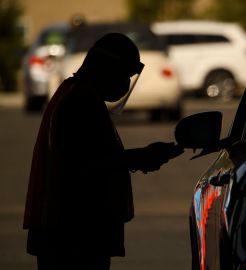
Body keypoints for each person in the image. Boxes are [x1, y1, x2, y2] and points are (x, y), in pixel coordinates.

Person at [23, 33, 184, 270]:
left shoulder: (74, 93)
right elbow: (87, 165)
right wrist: (142, 156)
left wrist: (141, 157)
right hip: (72, 232)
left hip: (65, 229)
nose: (126, 84)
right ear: (108, 68)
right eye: (124, 74)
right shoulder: (81, 102)